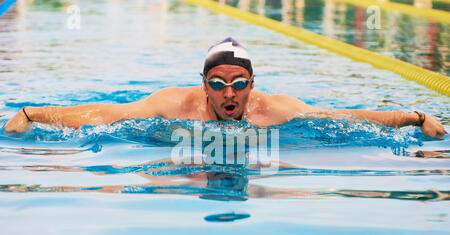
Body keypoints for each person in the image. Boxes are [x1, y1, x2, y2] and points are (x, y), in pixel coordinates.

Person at [4, 37, 446, 138]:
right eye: (218, 84)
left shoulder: (276, 109)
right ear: (205, 85)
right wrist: (32, 114)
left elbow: (349, 120)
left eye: (238, 85)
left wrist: (416, 116)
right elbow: (105, 115)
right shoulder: (175, 103)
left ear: (253, 85)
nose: (229, 94)